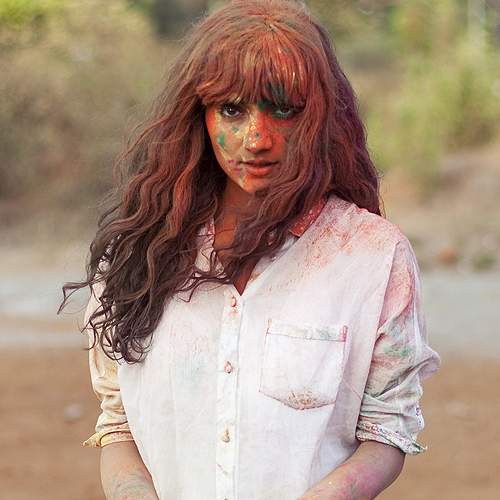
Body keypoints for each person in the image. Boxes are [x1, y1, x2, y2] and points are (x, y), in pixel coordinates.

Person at [64, 0, 440, 498]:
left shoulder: (373, 256)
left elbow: (386, 430)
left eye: (283, 109)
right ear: (198, 114)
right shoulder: (137, 255)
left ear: (320, 116)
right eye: (232, 110)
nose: (256, 139)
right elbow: (118, 425)